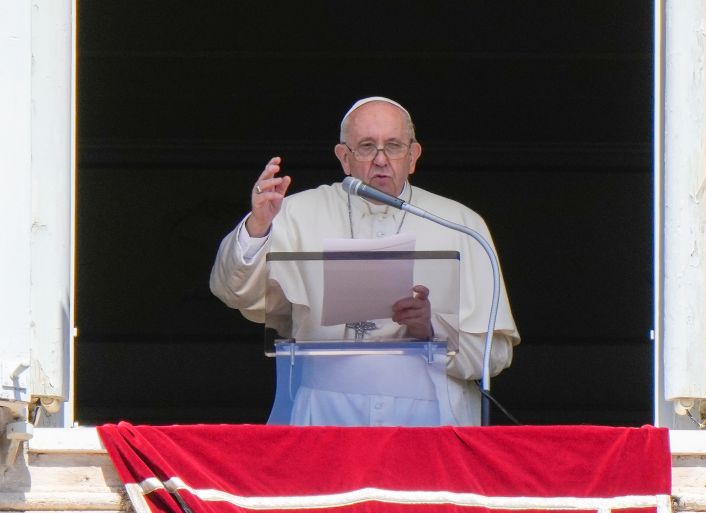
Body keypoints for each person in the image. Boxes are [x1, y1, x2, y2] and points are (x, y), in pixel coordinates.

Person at [210, 96, 520, 426]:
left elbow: (496, 354)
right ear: (344, 157)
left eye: (394, 146)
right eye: (367, 146)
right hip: (325, 415)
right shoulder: (293, 213)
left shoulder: (461, 224)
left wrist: (431, 329)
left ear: (413, 156)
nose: (381, 159)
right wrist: (258, 226)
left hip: (430, 416)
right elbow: (232, 291)